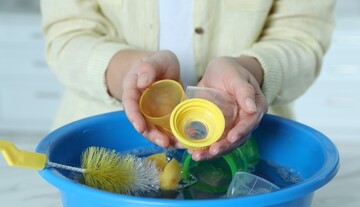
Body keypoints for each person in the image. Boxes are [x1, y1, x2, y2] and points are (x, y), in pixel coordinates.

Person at [40, 0, 335, 161]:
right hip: (97, 138)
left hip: (254, 143)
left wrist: (248, 71)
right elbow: (66, 36)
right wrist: (135, 73)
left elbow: (302, 37)